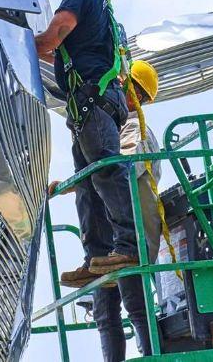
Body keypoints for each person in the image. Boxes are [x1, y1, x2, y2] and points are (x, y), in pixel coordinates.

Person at [35, 0, 139, 295]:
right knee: (88, 182)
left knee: (106, 171)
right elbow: (61, 53)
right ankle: (97, 256)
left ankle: (129, 247)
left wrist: (9, 41)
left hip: (92, 101)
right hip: (95, 102)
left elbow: (50, 40)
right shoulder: (100, 6)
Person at [49, 59, 164, 361]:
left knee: (135, 303)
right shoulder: (113, 126)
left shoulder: (136, 129)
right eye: (133, 92)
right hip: (111, 239)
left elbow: (119, 169)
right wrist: (75, 182)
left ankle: (153, 357)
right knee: (105, 307)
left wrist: (79, 180)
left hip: (132, 236)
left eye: (139, 97)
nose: (132, 101)